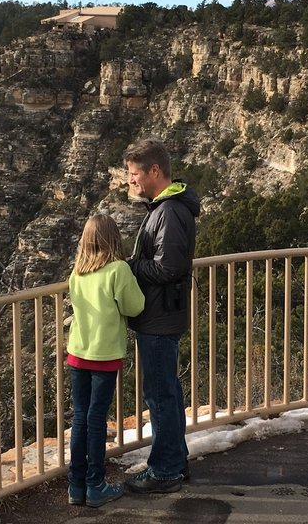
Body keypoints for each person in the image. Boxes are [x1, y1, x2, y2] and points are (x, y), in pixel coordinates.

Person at [122, 138, 200, 494]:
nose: (131, 181)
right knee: (166, 392)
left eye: (134, 174)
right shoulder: (165, 208)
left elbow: (168, 268)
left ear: (154, 171)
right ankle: (174, 462)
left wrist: (130, 267)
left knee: (161, 396)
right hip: (162, 316)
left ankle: (165, 470)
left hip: (159, 318)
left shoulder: (168, 212)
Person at [66, 214, 145, 507]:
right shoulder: (118, 270)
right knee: (96, 419)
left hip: (77, 353)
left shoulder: (77, 273)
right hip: (104, 355)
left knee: (79, 418)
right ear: (114, 239)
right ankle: (95, 484)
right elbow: (135, 306)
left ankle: (76, 486)